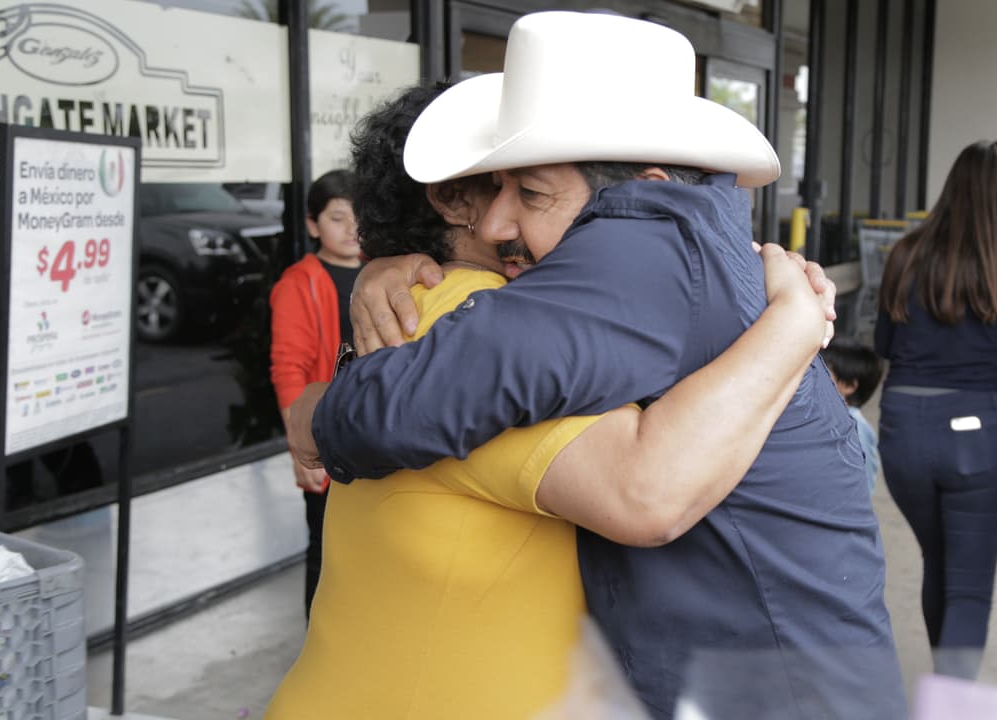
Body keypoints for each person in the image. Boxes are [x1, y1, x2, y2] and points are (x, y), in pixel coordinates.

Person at [287, 12, 906, 719]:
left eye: (533, 192)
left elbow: (405, 406)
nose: (499, 223)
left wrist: (313, 421)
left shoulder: (637, 254)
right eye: (500, 188)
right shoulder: (696, 246)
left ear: (640, 186)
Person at [874, 140, 997, 679]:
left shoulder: (906, 254)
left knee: (940, 562)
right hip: (977, 429)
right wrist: (984, 411)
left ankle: (946, 688)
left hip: (903, 426)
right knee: (969, 588)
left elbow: (885, 345)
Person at [267, 168, 361, 619]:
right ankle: (321, 651)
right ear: (312, 225)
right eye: (337, 218)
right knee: (326, 554)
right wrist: (299, 444)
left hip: (376, 435)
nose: (352, 229)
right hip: (327, 438)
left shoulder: (385, 272)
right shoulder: (298, 283)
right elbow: (289, 368)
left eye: (359, 216)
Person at [822, 337, 885, 492]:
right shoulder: (824, 417)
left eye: (823, 372)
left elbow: (863, 485)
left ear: (849, 386)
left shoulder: (855, 429)